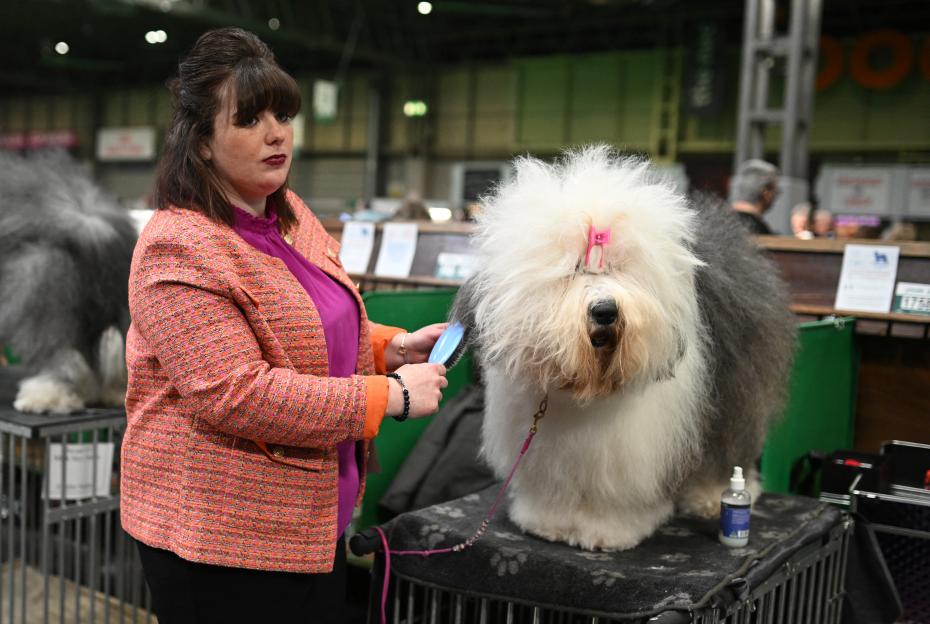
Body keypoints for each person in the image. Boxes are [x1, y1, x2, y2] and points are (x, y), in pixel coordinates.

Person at [121, 28, 449, 623]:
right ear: (200, 144)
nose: (276, 133)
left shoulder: (292, 217)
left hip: (312, 528)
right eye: (249, 120)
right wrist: (390, 397)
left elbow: (314, 327)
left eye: (283, 113)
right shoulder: (178, 245)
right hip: (222, 547)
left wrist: (390, 348)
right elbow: (234, 393)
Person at [728, 159, 779, 235]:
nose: (776, 196)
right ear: (766, 193)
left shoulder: (717, 222)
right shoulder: (761, 233)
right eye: (776, 191)